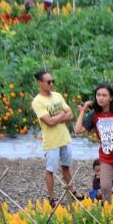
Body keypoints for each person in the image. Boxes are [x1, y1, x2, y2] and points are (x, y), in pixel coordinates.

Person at [74, 83, 113, 201]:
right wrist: (83, 110)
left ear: (111, 97)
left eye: (104, 95)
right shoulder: (94, 114)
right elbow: (78, 130)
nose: (100, 98)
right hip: (106, 157)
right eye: (98, 95)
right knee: (105, 186)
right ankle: (109, 212)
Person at [31, 70, 76, 203]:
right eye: (48, 82)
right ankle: (52, 197)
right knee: (51, 169)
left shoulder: (57, 96)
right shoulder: (37, 102)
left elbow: (70, 114)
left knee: (66, 166)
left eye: (52, 81)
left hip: (64, 137)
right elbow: (49, 122)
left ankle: (72, 191)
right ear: (40, 83)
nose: (51, 84)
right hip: (51, 141)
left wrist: (57, 117)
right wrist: (62, 115)